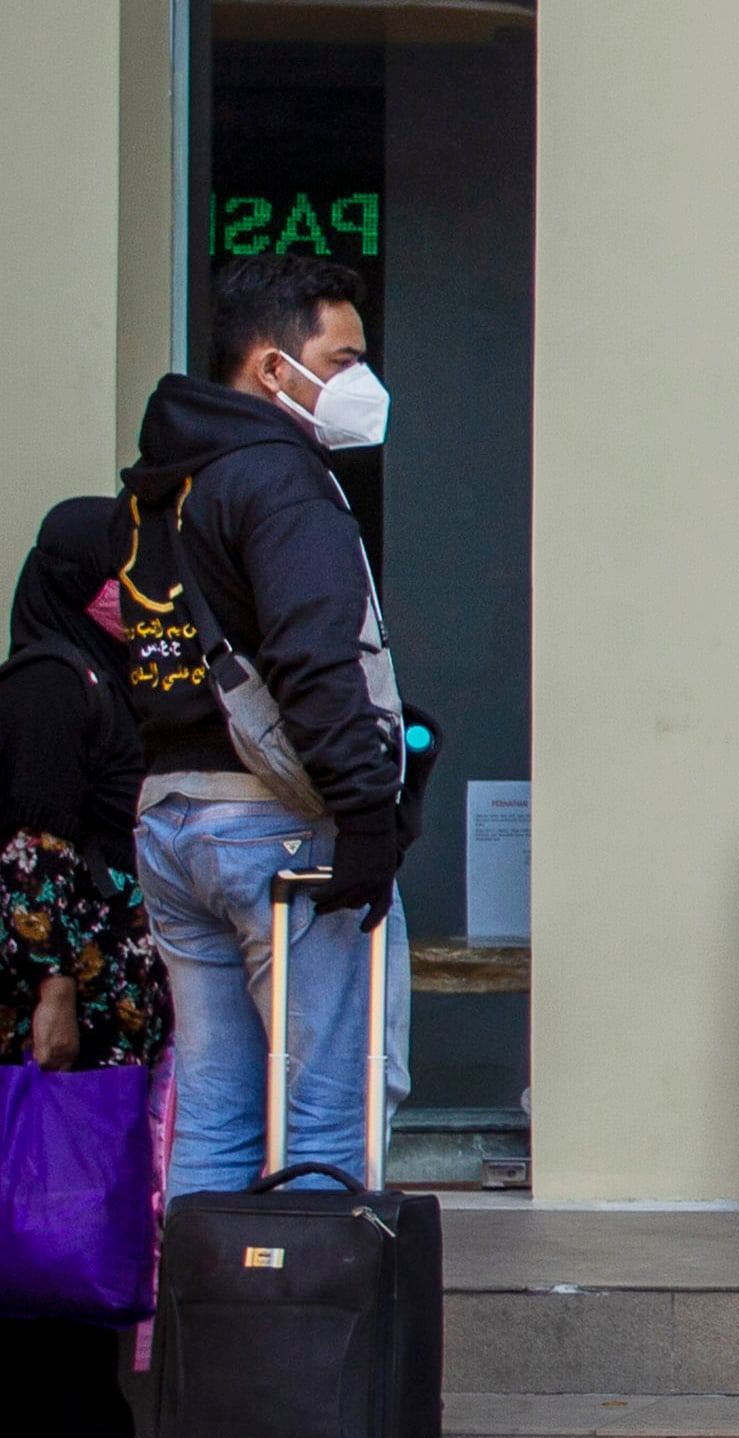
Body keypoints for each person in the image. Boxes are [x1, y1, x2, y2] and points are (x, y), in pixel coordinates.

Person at [119, 256, 411, 1201]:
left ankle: (203, 1344)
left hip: (172, 818)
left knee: (216, 1109)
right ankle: (310, 1344)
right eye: (344, 356)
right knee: (326, 1109)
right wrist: (367, 818)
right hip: (277, 830)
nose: (363, 381)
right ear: (274, 369)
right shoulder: (281, 481)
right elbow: (317, 660)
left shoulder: (164, 486)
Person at [0, 499, 173, 1438]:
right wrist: (56, 992)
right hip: (62, 1011)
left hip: (100, 996)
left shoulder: (97, 678)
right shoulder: (49, 685)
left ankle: (25, 1436)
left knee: (40, 1207)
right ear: (77, 578)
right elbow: (32, 850)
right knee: (71, 1212)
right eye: (120, 570)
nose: (135, 591)